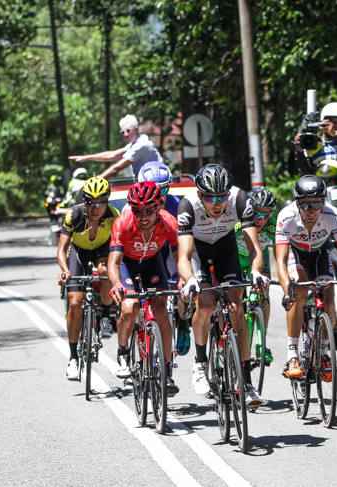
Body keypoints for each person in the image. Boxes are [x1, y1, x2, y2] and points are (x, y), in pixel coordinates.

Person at [177, 164, 265, 408]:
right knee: (204, 305)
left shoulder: (240, 200)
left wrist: (256, 271)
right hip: (199, 250)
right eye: (210, 198)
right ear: (199, 195)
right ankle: (200, 362)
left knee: (237, 308)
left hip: (226, 246)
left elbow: (254, 248)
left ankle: (246, 383)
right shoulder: (187, 206)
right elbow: (184, 256)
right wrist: (191, 280)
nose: (217, 203)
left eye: (221, 196)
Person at [276, 175, 337, 379]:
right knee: (300, 291)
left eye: (317, 204)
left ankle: (323, 352)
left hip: (320, 253)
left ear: (324, 202)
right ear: (297, 203)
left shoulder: (333, 215)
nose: (312, 210)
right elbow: (280, 260)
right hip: (294, 254)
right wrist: (287, 290)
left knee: (328, 292)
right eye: (305, 205)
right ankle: (292, 355)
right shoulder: (286, 217)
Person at [108, 181, 181, 395]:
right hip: (126, 264)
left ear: (158, 206)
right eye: (138, 211)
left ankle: (166, 370)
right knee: (130, 307)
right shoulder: (122, 223)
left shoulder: (169, 223)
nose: (143, 216)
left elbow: (179, 258)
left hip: (152, 262)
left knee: (161, 309)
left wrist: (182, 280)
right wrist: (116, 284)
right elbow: (113, 262)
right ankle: (123, 352)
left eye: (149, 210)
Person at [56, 176, 119, 379]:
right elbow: (61, 249)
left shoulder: (114, 215)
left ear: (107, 202)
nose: (95, 208)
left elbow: (120, 246)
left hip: (101, 250)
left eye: (100, 203)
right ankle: (73, 357)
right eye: (90, 202)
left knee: (105, 272)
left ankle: (107, 316)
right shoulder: (73, 215)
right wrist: (65, 270)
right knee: (75, 303)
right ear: (84, 201)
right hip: (78, 252)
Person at [138, 161, 190, 356]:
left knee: (182, 283)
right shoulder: (134, 208)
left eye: (164, 189)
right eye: (153, 190)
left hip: (171, 249)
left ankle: (183, 322)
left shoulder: (178, 205)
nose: (159, 196)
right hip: (147, 251)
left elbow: (184, 246)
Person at [234, 187, 277, 365]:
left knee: (263, 291)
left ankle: (262, 342)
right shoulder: (238, 223)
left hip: (259, 260)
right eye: (256, 214)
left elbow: (284, 248)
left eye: (265, 215)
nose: (260, 220)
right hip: (236, 259)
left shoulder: (273, 225)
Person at [69, 114, 164, 180]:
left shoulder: (142, 145)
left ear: (136, 129)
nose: (126, 134)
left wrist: (96, 181)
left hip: (157, 184)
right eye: (123, 132)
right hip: (148, 184)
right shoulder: (134, 144)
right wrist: (86, 158)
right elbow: (111, 155)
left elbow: (117, 168)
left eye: (128, 130)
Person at [294, 102, 337, 185]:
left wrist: (336, 136)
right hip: (325, 194)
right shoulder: (314, 144)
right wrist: (299, 151)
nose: (335, 125)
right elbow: (307, 173)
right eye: (332, 121)